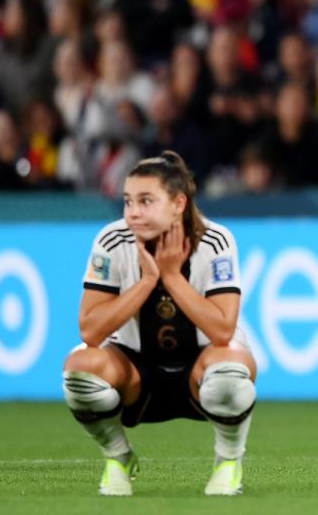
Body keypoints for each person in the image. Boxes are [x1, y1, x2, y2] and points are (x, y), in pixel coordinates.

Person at [62, 151, 256, 496]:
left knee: (232, 368)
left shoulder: (215, 240)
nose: (133, 212)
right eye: (128, 201)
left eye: (146, 201)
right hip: (135, 373)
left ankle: (228, 462)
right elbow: (90, 331)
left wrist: (170, 276)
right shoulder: (112, 240)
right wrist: (145, 283)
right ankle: (118, 457)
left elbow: (223, 330)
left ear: (178, 203)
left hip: (200, 370)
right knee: (80, 369)